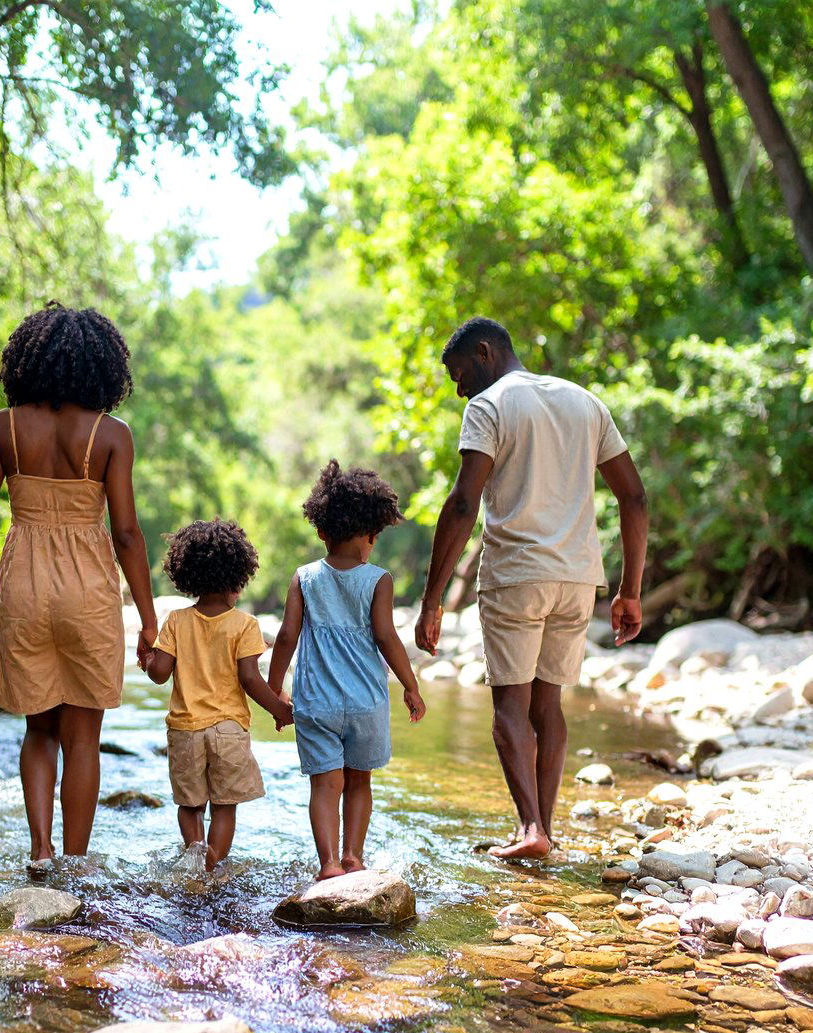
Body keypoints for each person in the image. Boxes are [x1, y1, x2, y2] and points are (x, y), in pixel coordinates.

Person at [0, 303, 157, 863]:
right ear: (102, 366)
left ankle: (41, 852)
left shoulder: (4, 427)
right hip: (88, 588)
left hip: (24, 582)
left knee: (39, 730)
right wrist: (149, 618)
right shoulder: (112, 435)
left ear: (28, 361)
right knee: (83, 737)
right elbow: (126, 533)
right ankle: (76, 867)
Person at [414, 316, 647, 861]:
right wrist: (629, 589)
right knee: (551, 706)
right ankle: (545, 830)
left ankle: (529, 830)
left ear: (486, 352)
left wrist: (432, 599)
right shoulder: (586, 404)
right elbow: (634, 498)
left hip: (517, 575)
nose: (459, 387)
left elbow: (463, 503)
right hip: (578, 578)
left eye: (459, 371)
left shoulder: (489, 407)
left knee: (509, 708)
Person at [269, 460, 426, 880]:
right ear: (373, 534)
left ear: (321, 529)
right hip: (365, 702)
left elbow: (286, 637)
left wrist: (274, 690)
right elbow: (387, 637)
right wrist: (410, 685)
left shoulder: (304, 577)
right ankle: (354, 856)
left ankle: (329, 865)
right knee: (360, 783)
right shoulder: (379, 580)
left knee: (324, 785)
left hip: (315, 701)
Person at [147, 519, 293, 874]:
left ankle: (195, 860)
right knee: (225, 806)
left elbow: (160, 673)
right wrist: (279, 709)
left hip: (184, 730)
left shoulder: (176, 621)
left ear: (187, 575)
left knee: (191, 805)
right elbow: (249, 678)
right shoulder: (244, 624)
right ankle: (214, 866)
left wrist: (148, 660)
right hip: (228, 730)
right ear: (237, 576)